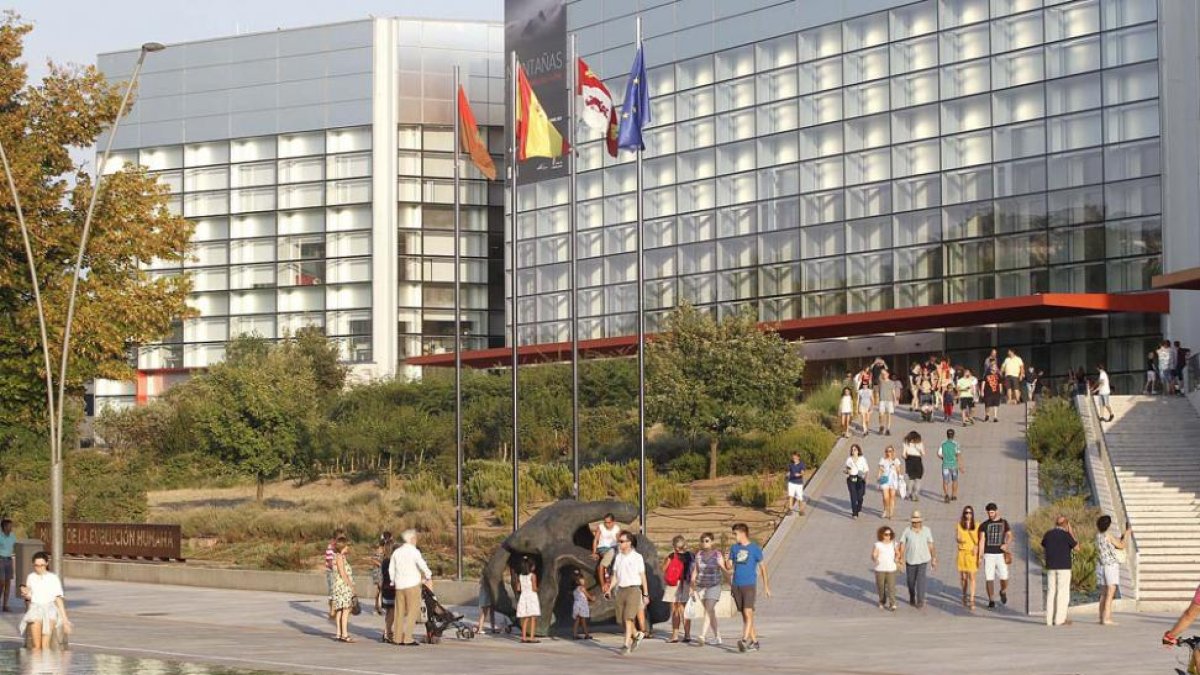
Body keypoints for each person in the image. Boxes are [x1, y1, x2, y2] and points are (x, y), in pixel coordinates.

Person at [726, 523, 770, 652]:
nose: (734, 536)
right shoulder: (734, 548)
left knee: (748, 612)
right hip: (737, 584)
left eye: (735, 534)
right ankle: (755, 642)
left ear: (743, 533)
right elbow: (729, 567)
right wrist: (726, 561)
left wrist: (766, 586)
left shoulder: (755, 549)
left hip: (749, 584)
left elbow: (763, 567)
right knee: (746, 617)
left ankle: (744, 640)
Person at [604, 530, 648, 655]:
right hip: (621, 590)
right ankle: (636, 634)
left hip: (634, 589)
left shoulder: (637, 557)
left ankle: (625, 644)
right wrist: (609, 589)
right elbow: (615, 576)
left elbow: (642, 575)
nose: (619, 543)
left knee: (628, 618)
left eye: (622, 541)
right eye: (619, 541)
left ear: (629, 543)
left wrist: (645, 594)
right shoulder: (618, 557)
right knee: (621, 620)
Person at [389, 528, 434, 647]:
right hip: (412, 585)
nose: (416, 540)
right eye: (415, 538)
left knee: (399, 612)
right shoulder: (414, 551)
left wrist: (393, 581)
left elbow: (391, 568)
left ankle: (397, 638)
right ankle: (408, 638)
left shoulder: (396, 552)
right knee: (412, 612)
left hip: (399, 586)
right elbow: (422, 564)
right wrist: (428, 574)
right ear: (411, 539)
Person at [19, 552, 69, 650]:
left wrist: (65, 619)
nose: (39, 568)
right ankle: (35, 664)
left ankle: (45, 664)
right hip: (35, 608)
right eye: (36, 565)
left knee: (45, 645)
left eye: (42, 565)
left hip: (49, 609)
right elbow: (29, 597)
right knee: (36, 646)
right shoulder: (31, 577)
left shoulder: (53, 578)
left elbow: (58, 598)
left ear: (47, 564)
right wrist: (26, 595)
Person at [1042, 515, 1080, 626]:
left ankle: (1049, 620)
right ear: (1066, 524)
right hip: (1064, 566)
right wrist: (1071, 532)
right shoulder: (1066, 535)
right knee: (1062, 593)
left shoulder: (1048, 534)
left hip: (1050, 566)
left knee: (1051, 592)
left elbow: (1044, 545)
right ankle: (1059, 619)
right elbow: (1077, 548)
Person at [690, 532, 725, 647]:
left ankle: (702, 636)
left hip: (714, 585)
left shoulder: (717, 554)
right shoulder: (699, 555)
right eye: (703, 541)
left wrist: (730, 577)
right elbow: (695, 570)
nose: (705, 543)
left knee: (708, 610)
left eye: (707, 541)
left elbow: (723, 568)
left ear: (712, 542)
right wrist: (692, 586)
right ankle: (717, 637)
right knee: (711, 612)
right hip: (701, 586)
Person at [1096, 515, 1131, 626]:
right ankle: (1107, 618)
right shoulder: (1108, 535)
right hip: (1111, 565)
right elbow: (1121, 545)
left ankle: (1102, 617)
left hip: (1102, 565)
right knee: (1111, 592)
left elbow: (1112, 546)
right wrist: (1127, 534)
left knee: (1103, 593)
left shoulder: (1098, 536)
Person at [897, 511, 937, 609]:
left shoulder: (927, 530)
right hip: (910, 560)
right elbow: (902, 545)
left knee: (921, 580)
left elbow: (931, 545)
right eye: (914, 522)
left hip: (923, 559)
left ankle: (920, 600)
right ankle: (912, 595)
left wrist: (933, 558)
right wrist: (901, 558)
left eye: (918, 521)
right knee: (910, 581)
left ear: (921, 522)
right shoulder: (907, 531)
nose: (916, 523)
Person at [977, 503, 1013, 609]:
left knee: (1004, 576)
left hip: (1000, 554)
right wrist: (980, 556)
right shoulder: (984, 525)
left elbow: (1010, 535)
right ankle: (991, 599)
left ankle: (1003, 591)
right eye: (988, 512)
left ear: (996, 511)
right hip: (988, 554)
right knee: (989, 578)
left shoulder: (1004, 522)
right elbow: (981, 541)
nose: (990, 514)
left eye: (992, 512)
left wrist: (1006, 544)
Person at [662, 535, 694, 643]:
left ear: (674, 546)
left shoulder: (671, 556)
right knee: (684, 610)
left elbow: (663, 569)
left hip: (673, 584)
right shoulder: (690, 556)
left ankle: (675, 636)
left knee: (674, 609)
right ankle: (687, 635)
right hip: (685, 583)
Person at [329, 537, 356, 643]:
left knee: (340, 610)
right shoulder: (340, 557)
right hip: (343, 587)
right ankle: (344, 634)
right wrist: (351, 586)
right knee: (346, 610)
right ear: (343, 546)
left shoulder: (338, 556)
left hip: (338, 586)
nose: (348, 547)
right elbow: (343, 573)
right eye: (347, 545)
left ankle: (339, 633)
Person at [956, 506, 979, 610]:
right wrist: (959, 540)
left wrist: (976, 548)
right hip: (962, 553)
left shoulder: (976, 525)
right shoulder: (959, 525)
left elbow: (980, 540)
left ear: (972, 514)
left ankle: (972, 599)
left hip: (971, 554)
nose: (968, 515)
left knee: (972, 577)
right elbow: (957, 537)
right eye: (966, 513)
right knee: (964, 578)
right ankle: (964, 595)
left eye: (969, 513)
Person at [872, 526, 899, 611]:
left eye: (890, 534)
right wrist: (875, 558)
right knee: (881, 587)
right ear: (882, 535)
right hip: (880, 569)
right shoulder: (878, 544)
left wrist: (897, 558)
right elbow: (874, 554)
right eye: (886, 534)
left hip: (891, 568)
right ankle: (882, 601)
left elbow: (898, 553)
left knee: (891, 587)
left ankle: (893, 603)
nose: (888, 536)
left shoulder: (894, 543)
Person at [515, 556, 541, 643]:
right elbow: (534, 588)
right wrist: (539, 589)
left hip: (523, 596)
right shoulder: (533, 575)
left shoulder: (520, 576)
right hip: (531, 596)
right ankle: (532, 637)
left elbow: (518, 588)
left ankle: (523, 637)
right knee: (533, 617)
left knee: (525, 618)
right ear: (530, 566)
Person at [592, 513, 621, 587]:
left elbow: (619, 540)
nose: (606, 524)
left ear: (613, 522)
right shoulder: (601, 527)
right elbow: (595, 540)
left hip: (614, 547)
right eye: (605, 522)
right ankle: (604, 578)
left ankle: (614, 577)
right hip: (603, 548)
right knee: (610, 554)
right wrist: (594, 552)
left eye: (608, 522)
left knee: (617, 555)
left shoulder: (617, 528)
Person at [380, 540, 399, 642]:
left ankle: (386, 632)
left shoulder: (385, 560)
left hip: (386, 588)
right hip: (390, 589)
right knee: (392, 612)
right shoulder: (390, 561)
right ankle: (388, 632)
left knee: (389, 612)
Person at [325, 528, 346, 620]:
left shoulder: (339, 549)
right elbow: (330, 563)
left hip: (337, 571)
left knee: (336, 591)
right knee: (332, 591)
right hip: (332, 572)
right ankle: (332, 610)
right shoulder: (330, 548)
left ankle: (335, 609)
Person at [844, 444, 869, 519]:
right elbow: (847, 469)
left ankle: (859, 505)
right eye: (852, 450)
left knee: (860, 496)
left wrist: (866, 478)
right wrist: (847, 472)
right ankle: (854, 513)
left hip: (860, 478)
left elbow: (866, 470)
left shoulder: (862, 459)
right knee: (853, 496)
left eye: (855, 449)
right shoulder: (849, 459)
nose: (853, 451)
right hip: (851, 478)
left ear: (858, 451)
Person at [939, 428, 963, 503]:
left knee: (945, 481)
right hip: (954, 465)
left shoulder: (943, 443)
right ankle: (954, 495)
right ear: (953, 435)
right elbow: (958, 455)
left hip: (945, 465)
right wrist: (960, 466)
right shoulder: (956, 444)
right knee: (955, 480)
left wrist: (943, 458)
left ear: (947, 435)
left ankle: (946, 494)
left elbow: (939, 454)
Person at [878, 446, 902, 519]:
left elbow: (899, 470)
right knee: (886, 497)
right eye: (887, 451)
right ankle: (885, 509)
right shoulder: (883, 460)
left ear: (893, 452)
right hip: (885, 479)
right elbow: (880, 469)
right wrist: (878, 477)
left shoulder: (896, 460)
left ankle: (891, 513)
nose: (889, 453)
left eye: (891, 451)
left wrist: (900, 477)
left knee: (892, 496)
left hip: (893, 480)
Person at [901, 431, 925, 502]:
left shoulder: (906, 443)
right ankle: (915, 494)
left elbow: (903, 455)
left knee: (911, 478)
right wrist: (917, 448)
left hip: (909, 460)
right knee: (918, 479)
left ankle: (908, 493)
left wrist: (906, 459)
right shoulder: (919, 443)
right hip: (917, 460)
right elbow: (923, 453)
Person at [571, 569, 593, 640]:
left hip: (576, 605)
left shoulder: (574, 590)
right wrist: (592, 598)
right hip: (582, 606)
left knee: (577, 620)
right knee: (583, 621)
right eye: (581, 579)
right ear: (577, 581)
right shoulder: (582, 588)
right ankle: (586, 634)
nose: (583, 580)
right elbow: (588, 596)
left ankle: (574, 634)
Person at [0, 519, 15, 612]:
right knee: (1, 583)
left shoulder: (12, 536)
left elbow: (16, 546)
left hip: (9, 560)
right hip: (1, 560)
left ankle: (5, 605)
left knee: (8, 583)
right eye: (9, 526)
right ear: (4, 527)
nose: (11, 528)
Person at [878, 370, 898, 435]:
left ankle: (888, 429)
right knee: (881, 415)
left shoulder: (892, 382)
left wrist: (895, 400)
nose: (884, 375)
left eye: (885, 374)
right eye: (883, 374)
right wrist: (882, 370)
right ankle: (881, 426)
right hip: (882, 400)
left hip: (889, 400)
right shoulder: (881, 381)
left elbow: (893, 391)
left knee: (889, 415)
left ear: (888, 374)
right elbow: (879, 375)